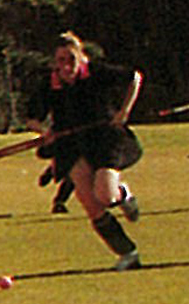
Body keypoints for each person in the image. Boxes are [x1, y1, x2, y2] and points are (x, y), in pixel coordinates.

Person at [25, 32, 145, 270]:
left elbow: (135, 78)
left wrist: (123, 113)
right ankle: (128, 254)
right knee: (90, 203)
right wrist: (44, 131)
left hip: (105, 139)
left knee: (106, 195)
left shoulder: (96, 73)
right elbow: (32, 118)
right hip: (72, 145)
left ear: (81, 56)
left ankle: (123, 194)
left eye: (71, 59)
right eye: (60, 60)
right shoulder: (49, 83)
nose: (66, 66)